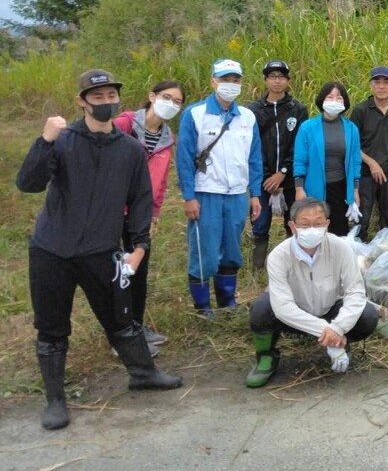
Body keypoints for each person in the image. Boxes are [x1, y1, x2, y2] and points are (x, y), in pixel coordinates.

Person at [17, 69, 182, 430]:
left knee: (120, 318)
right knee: (52, 327)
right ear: (82, 101)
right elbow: (28, 183)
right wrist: (44, 140)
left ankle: (143, 373)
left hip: (100, 251)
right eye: (98, 97)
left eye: (111, 97)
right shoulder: (63, 141)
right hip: (51, 250)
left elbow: (140, 201)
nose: (107, 103)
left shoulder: (129, 150)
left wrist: (138, 246)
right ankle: (56, 401)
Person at [245, 198, 380, 388]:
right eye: (304, 224)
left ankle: (343, 343)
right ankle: (266, 357)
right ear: (292, 226)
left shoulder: (341, 249)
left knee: (368, 315)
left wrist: (339, 328)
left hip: (330, 310)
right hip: (294, 316)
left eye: (318, 224)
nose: (312, 229)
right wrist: (329, 333)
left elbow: (355, 292)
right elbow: (283, 307)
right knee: (261, 309)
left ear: (327, 225)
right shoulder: (279, 256)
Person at [177, 59, 262, 316]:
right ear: (213, 81)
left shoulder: (247, 117)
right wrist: (189, 196)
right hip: (206, 193)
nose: (230, 85)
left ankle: (227, 301)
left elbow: (254, 158)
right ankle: (202, 306)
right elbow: (184, 158)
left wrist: (255, 194)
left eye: (235, 80)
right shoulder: (195, 114)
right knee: (205, 250)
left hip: (236, 194)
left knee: (232, 249)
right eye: (225, 79)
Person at [113, 79, 186, 356]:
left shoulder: (168, 138)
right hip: (111, 210)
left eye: (177, 101)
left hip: (141, 213)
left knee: (137, 271)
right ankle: (121, 335)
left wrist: (154, 214)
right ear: (151, 96)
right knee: (115, 272)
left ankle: (136, 325)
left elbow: (162, 181)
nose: (171, 104)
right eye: (166, 97)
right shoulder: (124, 125)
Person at [246, 60, 308, 269]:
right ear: (265, 80)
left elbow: (299, 146)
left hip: (290, 179)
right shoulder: (253, 110)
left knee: (294, 222)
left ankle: (295, 263)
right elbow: (251, 146)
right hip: (262, 180)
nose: (277, 80)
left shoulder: (298, 110)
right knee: (260, 223)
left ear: (288, 81)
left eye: (281, 76)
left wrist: (282, 173)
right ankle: (258, 268)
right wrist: (266, 176)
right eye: (272, 76)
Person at [350, 65, 388, 242]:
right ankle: (357, 254)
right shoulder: (361, 111)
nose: (381, 86)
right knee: (361, 218)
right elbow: (352, 145)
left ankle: (384, 254)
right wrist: (372, 163)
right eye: (377, 82)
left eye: (386, 82)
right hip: (364, 174)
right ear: (371, 85)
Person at [293, 81, 363, 237]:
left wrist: (355, 190)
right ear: (321, 100)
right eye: (330, 97)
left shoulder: (351, 129)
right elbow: (300, 161)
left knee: (338, 232)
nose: (334, 101)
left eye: (339, 98)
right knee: (315, 228)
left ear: (344, 102)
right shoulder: (307, 127)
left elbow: (355, 162)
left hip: (340, 188)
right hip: (314, 187)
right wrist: (299, 189)